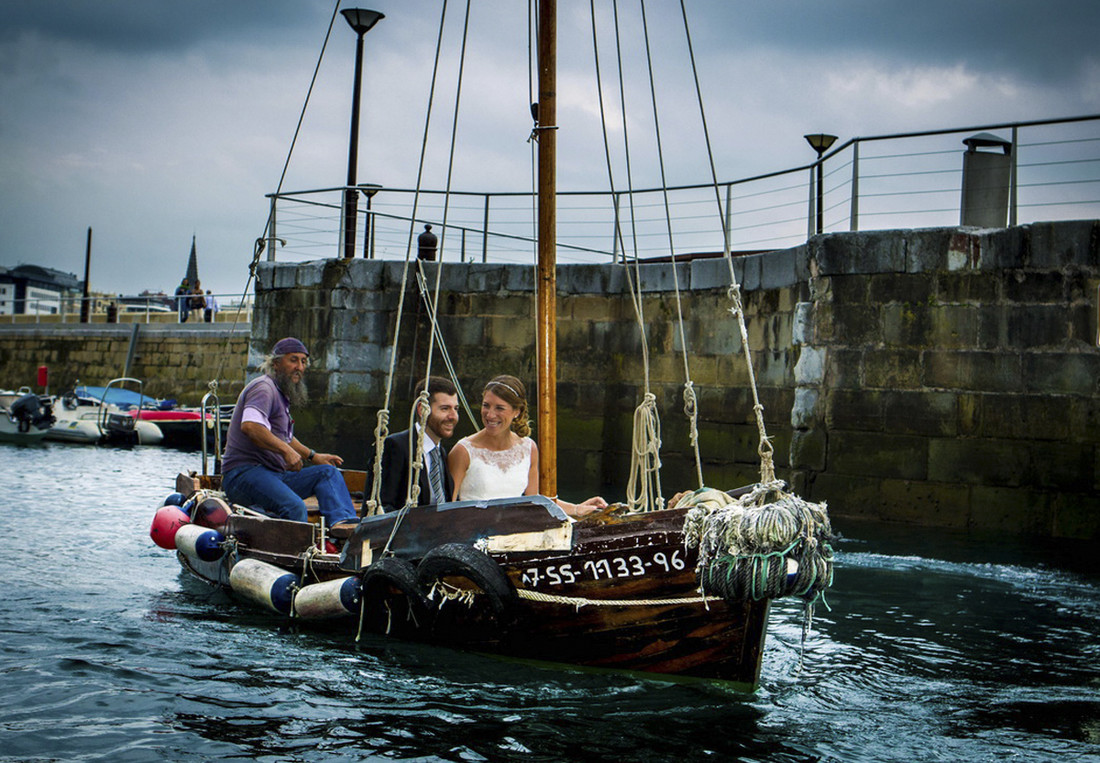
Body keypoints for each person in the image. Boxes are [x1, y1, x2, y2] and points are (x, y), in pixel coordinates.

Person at [220, 337, 358, 527]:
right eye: (293, 360)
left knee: (327, 472)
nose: (300, 367)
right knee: (294, 507)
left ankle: (343, 527)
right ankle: (295, 553)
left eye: (303, 361)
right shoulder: (264, 388)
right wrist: (286, 451)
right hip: (243, 474)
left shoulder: (280, 392)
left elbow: (284, 437)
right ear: (276, 364)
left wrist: (313, 455)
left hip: (273, 474)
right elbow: (251, 426)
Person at [448, 375, 607, 519]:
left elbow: (536, 502)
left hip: (518, 532)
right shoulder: (463, 451)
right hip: (476, 535)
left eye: (499, 408)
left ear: (517, 411)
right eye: (486, 405)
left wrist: (578, 508)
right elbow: (448, 508)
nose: (490, 415)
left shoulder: (528, 447)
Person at [376, 376, 459, 512]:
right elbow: (383, 507)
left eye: (456, 409)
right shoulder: (396, 446)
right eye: (445, 409)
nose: (453, 416)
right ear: (422, 410)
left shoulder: (441, 452)